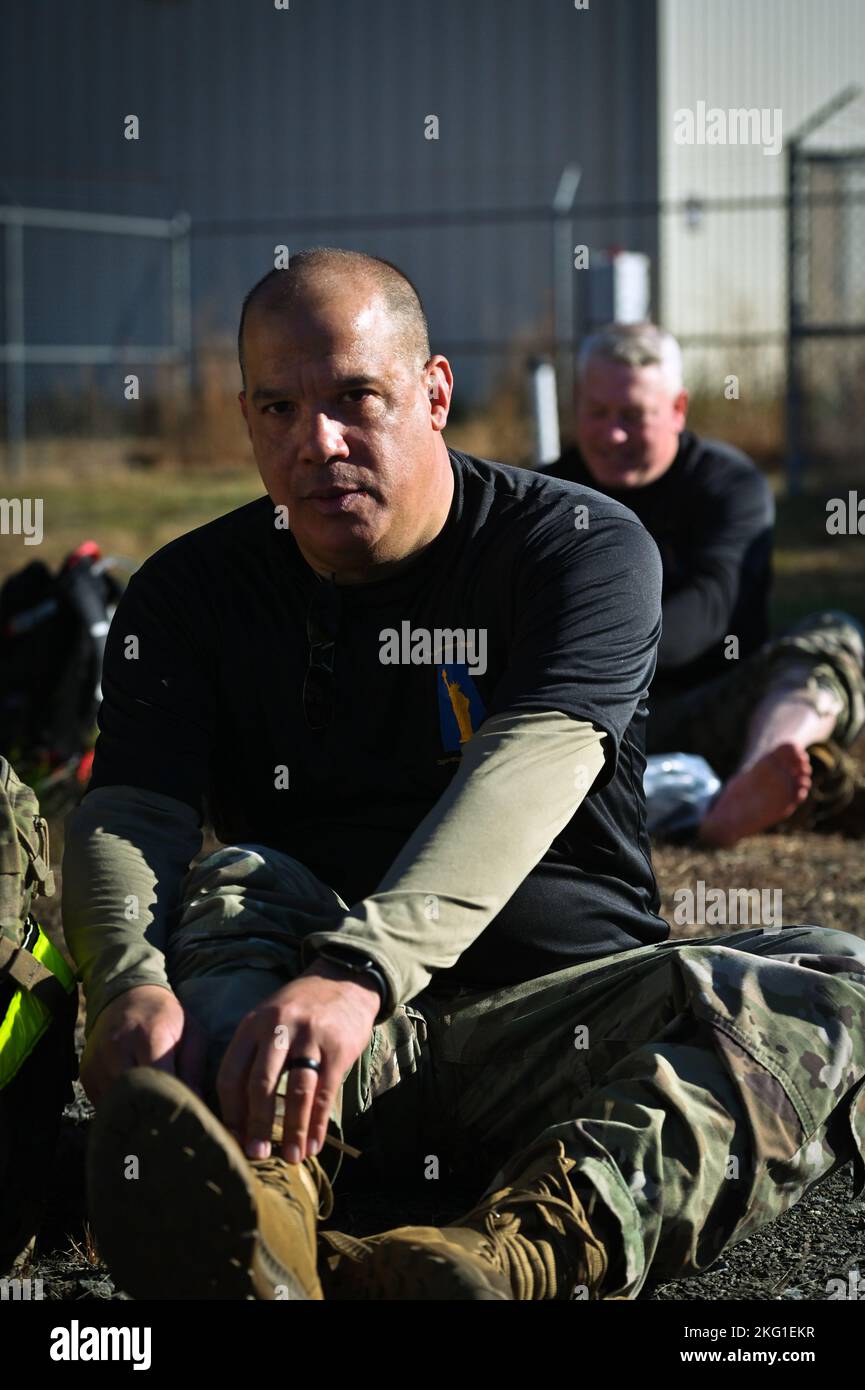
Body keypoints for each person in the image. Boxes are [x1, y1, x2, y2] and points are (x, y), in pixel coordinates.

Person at [63, 252, 865, 1302]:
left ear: (434, 392)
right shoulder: (188, 591)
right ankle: (257, 1213)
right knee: (241, 879)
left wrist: (363, 969)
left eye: (357, 397)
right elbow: (130, 806)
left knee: (837, 975)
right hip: (311, 1066)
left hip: (557, 1035)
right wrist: (126, 980)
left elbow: (533, 761)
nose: (319, 442)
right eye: (278, 408)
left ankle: (503, 1260)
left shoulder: (573, 547)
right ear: (247, 418)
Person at [542, 322, 865, 846]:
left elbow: (712, 613)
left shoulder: (729, 486)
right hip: (591, 717)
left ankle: (759, 778)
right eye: (597, 413)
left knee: (834, 637)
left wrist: (589, 643)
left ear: (677, 409)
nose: (612, 434)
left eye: (632, 416)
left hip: (711, 708)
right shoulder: (549, 495)